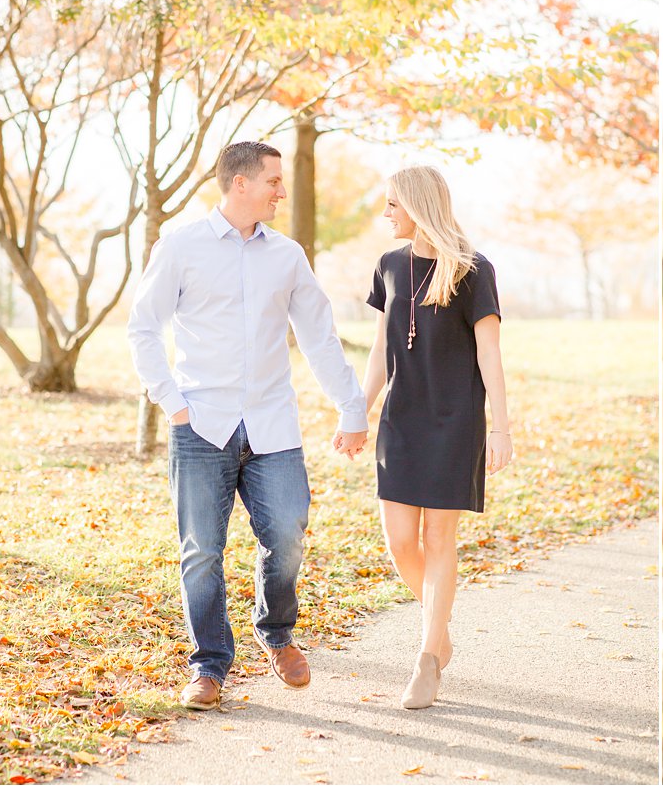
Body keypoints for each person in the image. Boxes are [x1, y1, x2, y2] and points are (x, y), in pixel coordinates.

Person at [128, 141, 369, 712]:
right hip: (201, 425)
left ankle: (276, 632)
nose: (282, 191)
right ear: (240, 184)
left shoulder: (286, 255)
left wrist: (351, 406)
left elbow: (318, 336)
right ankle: (209, 665)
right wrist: (172, 402)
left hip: (272, 424)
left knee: (286, 535)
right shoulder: (181, 246)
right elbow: (143, 328)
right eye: (273, 181)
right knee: (201, 553)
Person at [355, 164, 511, 710]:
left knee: (439, 540)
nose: (386, 214)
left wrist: (501, 428)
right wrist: (358, 411)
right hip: (401, 419)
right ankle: (440, 629)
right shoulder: (389, 265)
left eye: (393, 204)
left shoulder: (473, 270)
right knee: (400, 540)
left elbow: (489, 353)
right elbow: (380, 350)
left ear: (417, 204)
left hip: (454, 419)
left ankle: (426, 658)